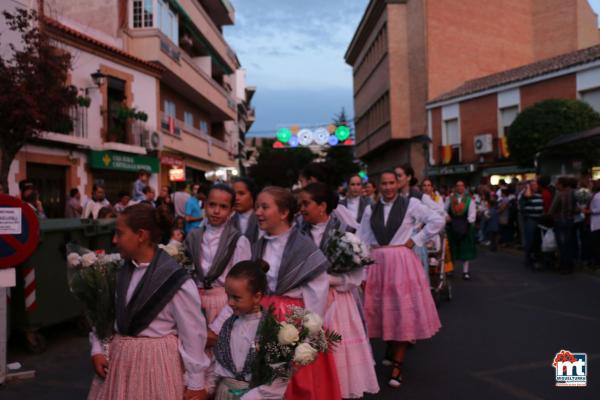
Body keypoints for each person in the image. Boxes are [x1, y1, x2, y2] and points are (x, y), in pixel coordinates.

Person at [88, 204, 210, 400]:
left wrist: (196, 382)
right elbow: (106, 317)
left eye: (119, 233)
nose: (114, 240)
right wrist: (98, 349)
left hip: (157, 365)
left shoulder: (174, 279)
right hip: (120, 363)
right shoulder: (118, 271)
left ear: (141, 235)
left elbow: (192, 333)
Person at [233, 186, 341, 399]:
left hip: (293, 320)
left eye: (265, 207)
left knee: (295, 382)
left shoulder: (304, 248)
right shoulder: (256, 245)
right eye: (257, 207)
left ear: (283, 213)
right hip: (260, 317)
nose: (258, 212)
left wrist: (306, 334)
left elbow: (317, 293)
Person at [358, 171, 442, 388]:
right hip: (378, 263)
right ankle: (390, 345)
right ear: (378, 186)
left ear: (398, 183)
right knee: (384, 309)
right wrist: (362, 271)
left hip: (401, 262)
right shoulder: (370, 209)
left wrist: (417, 239)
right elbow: (363, 239)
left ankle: (398, 364)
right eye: (383, 183)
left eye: (391, 183)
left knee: (401, 310)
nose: (387, 187)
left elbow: (437, 220)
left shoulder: (411, 204)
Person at [299, 183, 379, 398]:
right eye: (300, 204)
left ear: (322, 206)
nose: (302, 209)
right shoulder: (297, 234)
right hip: (304, 301)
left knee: (337, 354)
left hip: (337, 303)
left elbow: (355, 278)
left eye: (306, 204)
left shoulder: (345, 235)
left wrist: (327, 279)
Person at [211, 261, 288, 400]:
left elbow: (279, 377)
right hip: (226, 393)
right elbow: (218, 361)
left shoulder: (270, 330)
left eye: (236, 298)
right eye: (228, 296)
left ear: (257, 297)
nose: (230, 302)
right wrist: (207, 387)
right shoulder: (228, 327)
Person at [185, 184, 251, 324]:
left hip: (224, 303)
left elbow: (241, 283)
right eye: (212, 205)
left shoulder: (238, 241)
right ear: (204, 205)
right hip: (194, 300)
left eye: (223, 207)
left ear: (231, 211)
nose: (216, 211)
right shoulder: (193, 236)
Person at [446, 180, 477, 280]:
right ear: (455, 187)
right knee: (452, 249)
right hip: (453, 226)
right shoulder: (449, 199)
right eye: (458, 186)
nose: (460, 188)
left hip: (465, 226)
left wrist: (467, 224)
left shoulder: (469, 200)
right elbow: (443, 210)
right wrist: (447, 217)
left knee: (465, 250)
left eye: (462, 186)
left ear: (464, 187)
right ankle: (451, 270)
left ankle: (465, 271)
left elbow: (472, 214)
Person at [550, 177, 578, 274]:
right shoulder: (573, 193)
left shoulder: (559, 194)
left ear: (561, 184)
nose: (556, 185)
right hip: (570, 220)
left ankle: (564, 266)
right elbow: (577, 207)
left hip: (560, 221)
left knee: (562, 245)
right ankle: (570, 265)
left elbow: (552, 209)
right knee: (568, 243)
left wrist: (549, 215)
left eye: (557, 183)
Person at [519, 180, 544, 269]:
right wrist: (528, 187)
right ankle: (528, 259)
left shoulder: (539, 195)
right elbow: (527, 196)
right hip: (530, 220)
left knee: (538, 241)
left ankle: (536, 259)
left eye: (536, 185)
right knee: (530, 240)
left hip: (539, 220)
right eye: (533, 185)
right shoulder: (525, 195)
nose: (535, 186)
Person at [231, 178, 261, 244]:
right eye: (233, 194)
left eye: (241, 193)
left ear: (252, 195)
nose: (236, 198)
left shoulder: (262, 218)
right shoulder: (228, 220)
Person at [589, 180, 600, 266]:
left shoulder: (597, 196)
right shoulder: (595, 195)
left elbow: (597, 210)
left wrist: (588, 211)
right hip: (596, 223)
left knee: (596, 244)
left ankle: (597, 262)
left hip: (597, 223)